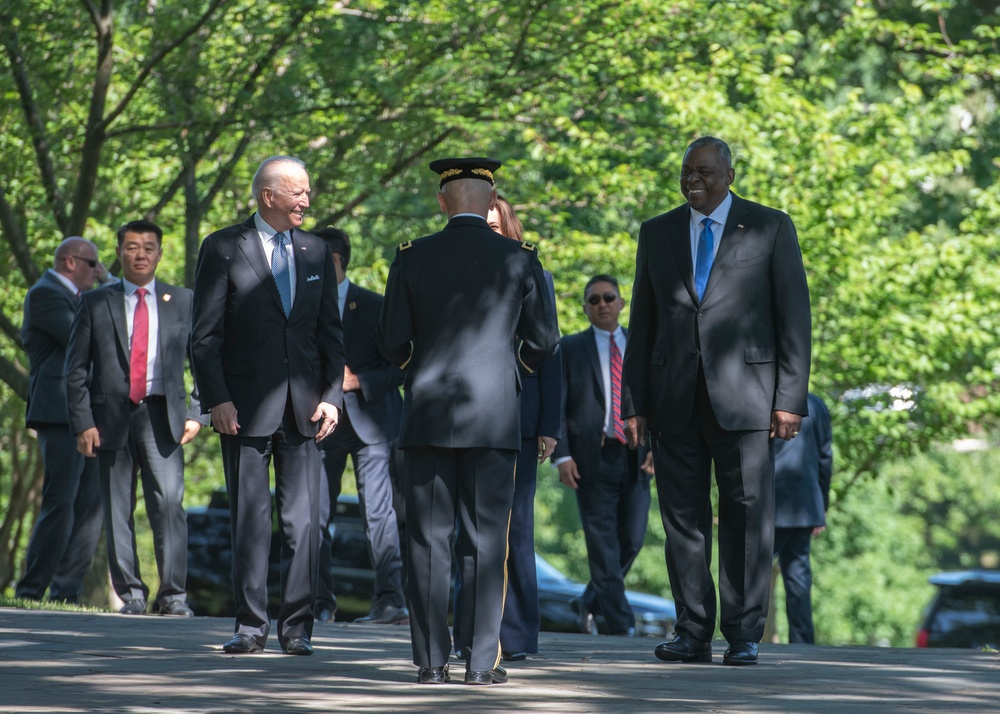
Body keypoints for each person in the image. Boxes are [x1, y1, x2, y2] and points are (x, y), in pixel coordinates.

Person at [621, 136, 812, 666]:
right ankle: (692, 631)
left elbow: (794, 317)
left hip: (748, 399)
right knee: (683, 520)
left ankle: (745, 632)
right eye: (686, 172)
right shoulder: (657, 232)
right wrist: (632, 402)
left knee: (748, 516)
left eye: (704, 171)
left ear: (730, 173)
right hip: (673, 398)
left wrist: (790, 398)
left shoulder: (771, 226)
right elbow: (644, 321)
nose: (692, 181)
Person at [377, 157, 559, 686]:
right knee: (485, 545)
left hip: (428, 414)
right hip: (494, 417)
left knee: (428, 544)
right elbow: (544, 342)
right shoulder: (521, 257)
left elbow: (391, 342)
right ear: (491, 202)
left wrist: (420, 371)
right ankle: (481, 664)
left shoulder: (412, 256)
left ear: (442, 201)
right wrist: (510, 373)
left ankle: (432, 663)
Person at [191, 156, 345, 656]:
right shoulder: (222, 246)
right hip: (242, 409)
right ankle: (251, 627)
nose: (306, 201)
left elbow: (329, 335)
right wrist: (216, 399)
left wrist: (332, 397)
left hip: (305, 411)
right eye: (297, 192)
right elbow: (205, 336)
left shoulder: (317, 249)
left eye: (307, 192)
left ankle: (297, 630)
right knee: (250, 522)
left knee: (302, 524)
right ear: (268, 196)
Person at [65, 220, 206, 616]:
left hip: (164, 416)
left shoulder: (182, 300)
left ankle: (174, 596)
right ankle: (131, 595)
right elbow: (75, 369)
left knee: (170, 505)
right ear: (119, 252)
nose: (140, 254)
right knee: (116, 509)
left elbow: (204, 361)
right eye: (131, 247)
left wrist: (197, 412)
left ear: (160, 253)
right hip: (110, 418)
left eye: (148, 247)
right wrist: (82, 422)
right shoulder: (95, 302)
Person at [452, 195, 563, 662]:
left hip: (520, 417)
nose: (492, 233)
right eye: (486, 226)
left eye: (498, 226)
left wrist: (548, 425)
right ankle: (467, 637)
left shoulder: (534, 273)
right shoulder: (458, 273)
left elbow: (549, 351)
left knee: (514, 535)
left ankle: (514, 636)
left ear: (511, 228)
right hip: (465, 419)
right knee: (465, 535)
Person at [311, 226, 407, 626]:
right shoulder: (299, 308)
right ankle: (318, 603)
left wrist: (357, 381)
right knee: (314, 513)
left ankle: (390, 602)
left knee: (380, 514)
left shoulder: (375, 306)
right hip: (318, 424)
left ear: (335, 260)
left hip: (373, 423)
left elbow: (402, 364)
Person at [552, 275, 651, 637]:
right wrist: (561, 456)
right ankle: (621, 625)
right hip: (590, 457)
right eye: (593, 300)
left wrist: (656, 449)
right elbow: (557, 405)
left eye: (609, 297)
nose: (602, 304)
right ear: (585, 308)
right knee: (602, 543)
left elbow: (655, 400)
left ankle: (589, 600)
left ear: (621, 303)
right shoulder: (570, 347)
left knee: (633, 539)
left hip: (637, 456)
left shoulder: (641, 345)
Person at [16, 237, 106, 603]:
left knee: (89, 505)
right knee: (61, 501)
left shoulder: (77, 296)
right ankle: (31, 588)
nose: (97, 271)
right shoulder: (45, 294)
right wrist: (112, 286)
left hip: (90, 411)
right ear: (70, 262)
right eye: (93, 264)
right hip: (58, 412)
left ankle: (67, 592)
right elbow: (83, 338)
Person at [773, 392, 832, 644]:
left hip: (770, 500)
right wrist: (822, 506)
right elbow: (825, 457)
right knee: (798, 576)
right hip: (805, 503)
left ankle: (745, 636)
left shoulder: (767, 401)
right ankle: (802, 642)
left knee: (752, 573)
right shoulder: (817, 405)